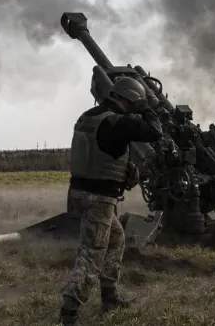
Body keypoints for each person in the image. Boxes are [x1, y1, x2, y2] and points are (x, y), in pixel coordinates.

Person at [58, 76, 164, 326]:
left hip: (80, 191)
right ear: (130, 99)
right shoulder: (119, 121)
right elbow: (155, 132)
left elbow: (103, 150)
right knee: (92, 252)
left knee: (116, 239)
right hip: (98, 197)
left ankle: (109, 296)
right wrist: (148, 107)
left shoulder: (90, 116)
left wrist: (126, 169)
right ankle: (69, 313)